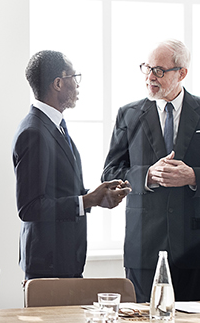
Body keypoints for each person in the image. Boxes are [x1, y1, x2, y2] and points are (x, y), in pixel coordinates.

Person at [101, 39, 200, 303]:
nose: (150, 77)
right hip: (144, 245)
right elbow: (110, 172)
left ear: (182, 73)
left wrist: (193, 176)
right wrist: (147, 175)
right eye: (147, 68)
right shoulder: (128, 114)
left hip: (199, 247)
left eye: (159, 71)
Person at [13, 50, 127, 279]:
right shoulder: (34, 132)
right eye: (74, 78)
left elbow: (59, 191)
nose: (77, 85)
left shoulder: (55, 126)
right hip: (47, 265)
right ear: (58, 83)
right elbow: (29, 207)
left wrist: (96, 197)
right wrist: (87, 200)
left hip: (64, 260)